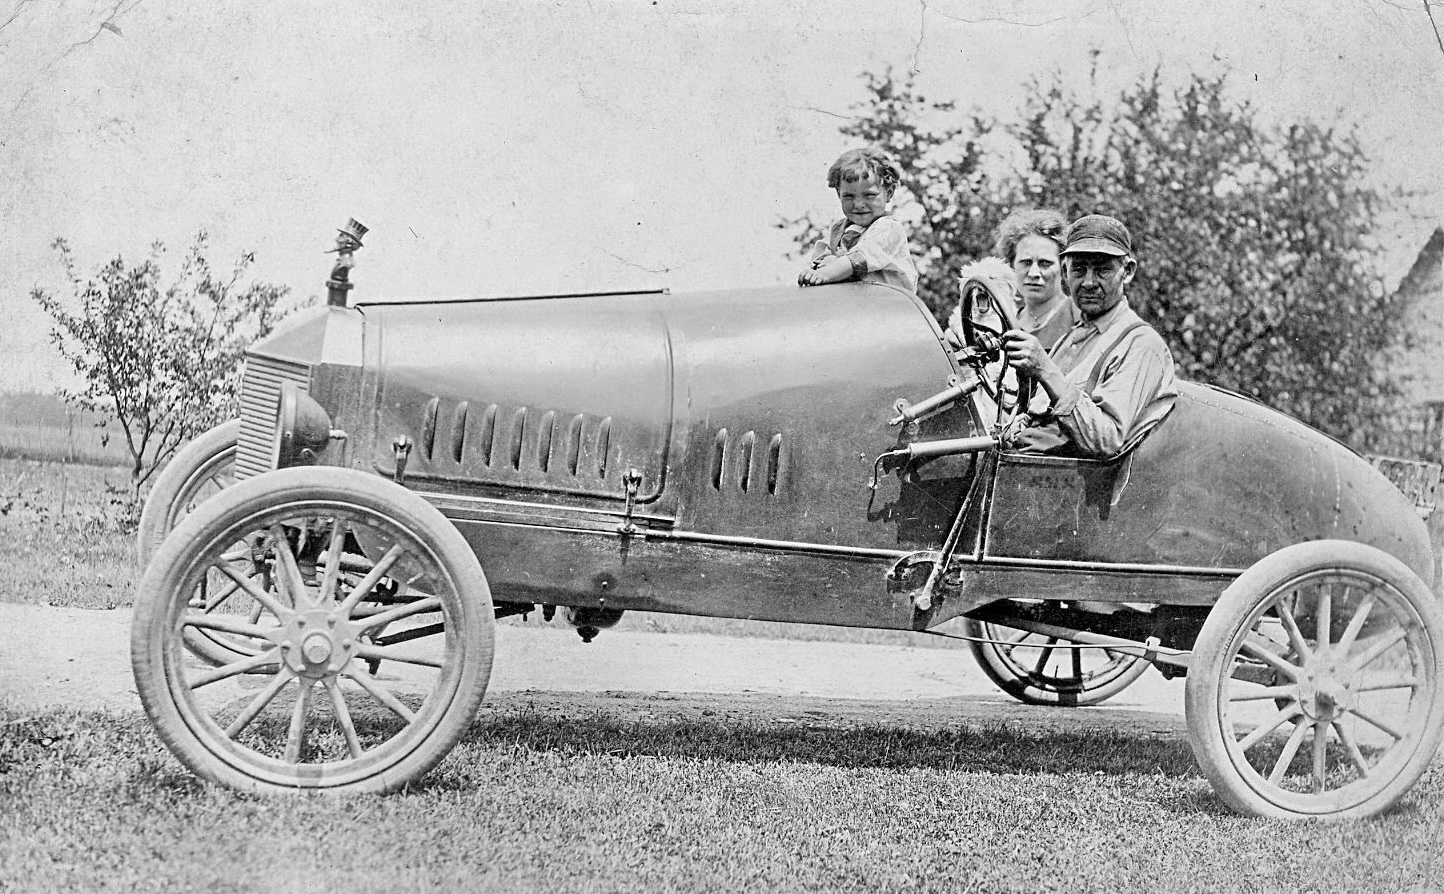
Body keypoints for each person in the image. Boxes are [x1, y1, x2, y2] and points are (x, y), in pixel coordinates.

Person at [1000, 214, 1178, 458]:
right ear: (1065, 271)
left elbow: (1106, 438)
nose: (1089, 282)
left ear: (1127, 271)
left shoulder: (1141, 345)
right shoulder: (1071, 338)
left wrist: (1044, 369)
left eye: (1102, 270)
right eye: (1079, 269)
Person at [798, 148, 919, 295]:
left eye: (869, 195)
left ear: (889, 193)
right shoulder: (838, 229)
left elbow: (858, 260)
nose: (859, 204)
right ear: (839, 194)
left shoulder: (889, 229)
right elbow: (820, 257)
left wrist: (825, 273)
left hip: (889, 304)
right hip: (854, 303)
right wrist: (827, 261)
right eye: (849, 196)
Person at [992, 208, 1078, 351]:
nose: (1033, 273)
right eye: (1026, 262)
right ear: (1012, 265)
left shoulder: (1077, 315)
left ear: (1063, 267)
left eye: (1045, 263)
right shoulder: (1004, 322)